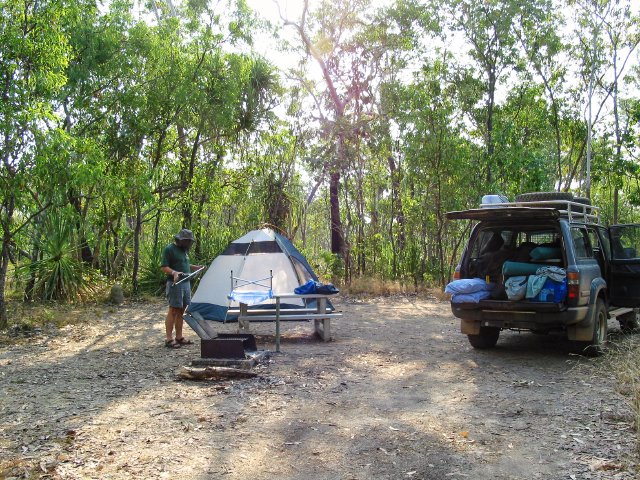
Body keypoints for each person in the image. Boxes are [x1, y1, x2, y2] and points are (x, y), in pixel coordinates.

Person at [160, 228, 204, 348]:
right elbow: (164, 267)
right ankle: (169, 339)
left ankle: (179, 337)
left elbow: (183, 264)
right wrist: (174, 273)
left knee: (182, 310)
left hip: (186, 283)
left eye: (190, 242)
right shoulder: (169, 249)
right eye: (188, 241)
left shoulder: (184, 250)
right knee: (173, 310)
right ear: (181, 240)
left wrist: (195, 267)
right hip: (175, 284)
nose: (189, 244)